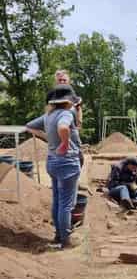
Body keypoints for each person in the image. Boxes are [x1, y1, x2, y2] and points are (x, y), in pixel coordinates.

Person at [26, 84, 82, 249]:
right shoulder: (65, 114)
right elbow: (63, 127)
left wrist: (46, 137)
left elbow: (28, 126)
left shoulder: (48, 115)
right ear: (67, 101)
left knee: (58, 200)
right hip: (67, 163)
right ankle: (65, 240)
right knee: (66, 204)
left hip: (52, 161)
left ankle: (58, 235)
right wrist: (65, 143)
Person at [53, 70, 84, 167]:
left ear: (68, 82)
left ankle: (76, 175)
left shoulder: (72, 95)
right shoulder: (52, 96)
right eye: (60, 80)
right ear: (56, 82)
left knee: (78, 154)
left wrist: (79, 122)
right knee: (60, 155)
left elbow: (79, 108)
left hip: (73, 130)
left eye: (64, 80)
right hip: (58, 131)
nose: (62, 82)